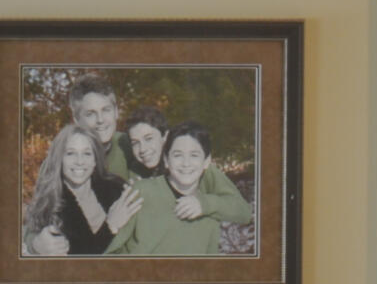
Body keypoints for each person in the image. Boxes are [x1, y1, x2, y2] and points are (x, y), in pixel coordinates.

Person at [108, 124, 234, 256]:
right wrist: (111, 227)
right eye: (177, 155)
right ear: (166, 160)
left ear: (206, 161)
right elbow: (110, 254)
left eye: (194, 155)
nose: (186, 163)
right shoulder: (141, 193)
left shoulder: (210, 216)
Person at [120, 110, 252, 232]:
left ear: (165, 136)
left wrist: (203, 203)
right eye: (135, 143)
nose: (142, 149)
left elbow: (244, 211)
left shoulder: (195, 169)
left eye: (149, 138)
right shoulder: (135, 173)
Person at [22, 120, 139, 255]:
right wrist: (111, 226)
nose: (79, 161)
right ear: (60, 159)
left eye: (87, 153)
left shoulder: (115, 188)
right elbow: (81, 257)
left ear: (95, 160)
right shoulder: (51, 205)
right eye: (71, 153)